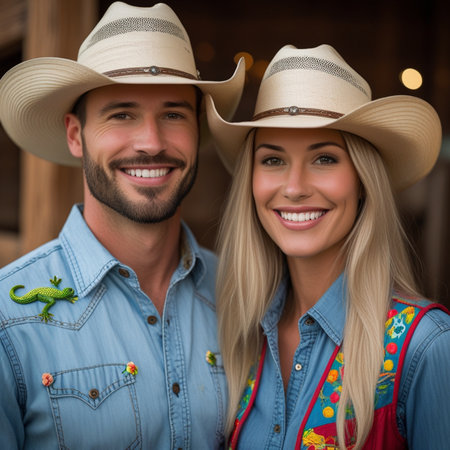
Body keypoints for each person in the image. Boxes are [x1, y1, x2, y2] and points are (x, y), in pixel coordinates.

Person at [0, 2, 245, 448]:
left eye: (173, 114)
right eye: (122, 114)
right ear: (76, 135)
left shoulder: (243, 297)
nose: (151, 143)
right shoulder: (6, 318)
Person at [206, 44, 450, 449]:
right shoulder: (240, 337)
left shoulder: (427, 350)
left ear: (362, 182)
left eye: (324, 159)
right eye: (272, 160)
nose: (296, 187)